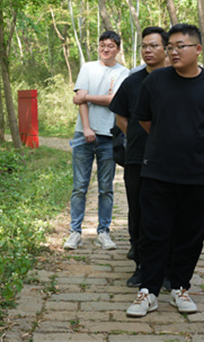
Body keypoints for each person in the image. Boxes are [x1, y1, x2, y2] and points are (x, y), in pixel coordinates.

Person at [125, 24, 204, 318]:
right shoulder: (156, 82)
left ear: (198, 49)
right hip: (157, 172)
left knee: (191, 234)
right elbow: (145, 120)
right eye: (171, 47)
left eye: (181, 46)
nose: (174, 52)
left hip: (198, 174)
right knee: (154, 233)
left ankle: (180, 287)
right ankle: (148, 291)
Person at [109, 26, 168, 286]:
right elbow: (121, 116)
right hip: (137, 157)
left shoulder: (176, 78)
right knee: (139, 212)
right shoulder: (132, 82)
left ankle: (168, 269)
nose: (148, 50)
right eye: (144, 46)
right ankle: (142, 267)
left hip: (171, 159)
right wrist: (138, 134)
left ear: (166, 48)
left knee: (168, 213)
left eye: (154, 45)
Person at [64, 30, 130, 251]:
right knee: (79, 186)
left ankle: (103, 231)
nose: (105, 49)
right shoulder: (88, 68)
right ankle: (75, 232)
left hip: (110, 136)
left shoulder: (123, 72)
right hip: (84, 134)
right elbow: (80, 100)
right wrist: (86, 128)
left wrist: (87, 96)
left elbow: (114, 100)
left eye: (110, 45)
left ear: (118, 49)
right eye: (102, 45)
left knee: (106, 188)